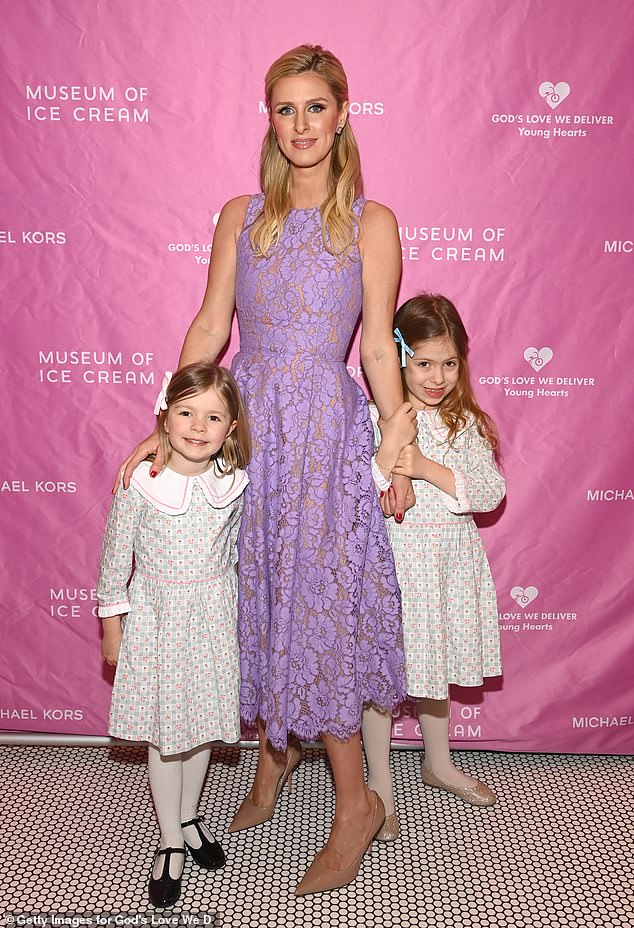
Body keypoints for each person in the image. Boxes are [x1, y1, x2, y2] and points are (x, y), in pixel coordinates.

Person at [120, 44, 411, 895]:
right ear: (269, 119)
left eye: (316, 107)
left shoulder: (373, 222)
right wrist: (164, 427)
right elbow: (213, 325)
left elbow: (383, 357)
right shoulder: (241, 215)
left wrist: (394, 449)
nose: (301, 125)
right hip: (245, 429)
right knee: (253, 595)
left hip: (323, 433)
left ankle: (355, 804)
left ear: (344, 113)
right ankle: (274, 765)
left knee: (317, 604)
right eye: (285, 109)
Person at [99, 363, 250, 908]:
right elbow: (116, 556)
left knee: (203, 725)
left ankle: (188, 819)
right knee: (167, 735)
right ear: (164, 417)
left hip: (212, 619)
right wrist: (112, 626)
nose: (197, 426)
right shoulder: (143, 481)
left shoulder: (234, 482)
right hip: (158, 618)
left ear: (230, 428)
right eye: (185, 412)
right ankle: (168, 842)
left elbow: (239, 553)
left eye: (213, 417)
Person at [362, 293, 505, 840]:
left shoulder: (462, 421)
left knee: (434, 665)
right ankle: (379, 786)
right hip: (395, 567)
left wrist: (424, 466)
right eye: (423, 363)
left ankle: (437, 761)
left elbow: (489, 493)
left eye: (449, 363)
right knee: (382, 677)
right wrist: (392, 456)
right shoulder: (376, 417)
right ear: (397, 359)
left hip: (447, 565)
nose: (437, 376)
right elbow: (360, 491)